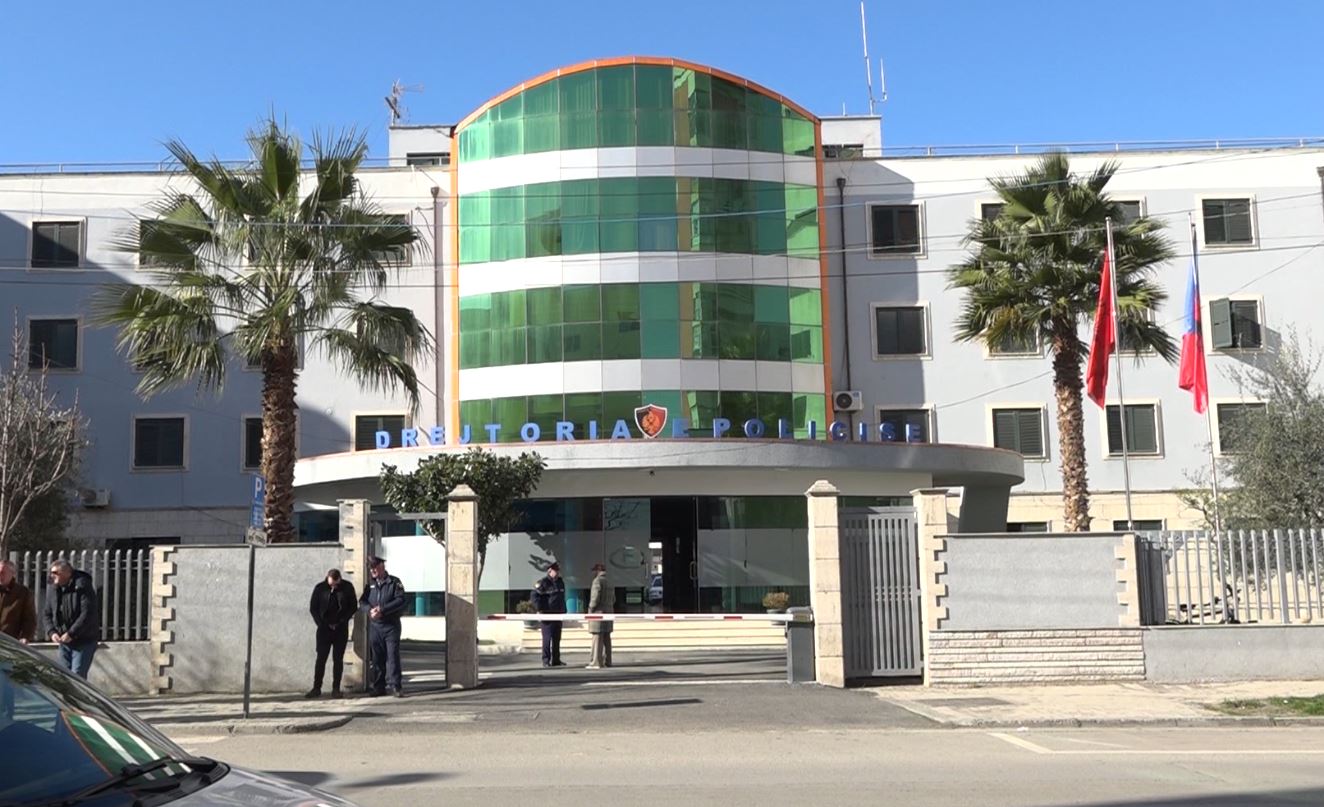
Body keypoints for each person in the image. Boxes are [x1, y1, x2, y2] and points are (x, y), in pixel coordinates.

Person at [40, 560, 99, 679]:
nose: (52, 576)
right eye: (51, 573)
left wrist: (72, 633)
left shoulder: (82, 586)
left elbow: (87, 614)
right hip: (63, 642)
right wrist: (52, 632)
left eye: (55, 573)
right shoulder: (53, 588)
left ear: (67, 573)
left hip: (84, 640)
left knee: (77, 676)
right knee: (64, 677)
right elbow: (47, 614)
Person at [306, 568, 357, 699]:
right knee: (321, 659)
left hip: (340, 629)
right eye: (331, 584)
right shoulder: (320, 588)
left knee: (338, 659)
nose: (333, 587)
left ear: (339, 579)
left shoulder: (347, 587)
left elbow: (353, 606)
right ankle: (316, 688)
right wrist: (320, 623)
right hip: (324, 629)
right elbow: (313, 608)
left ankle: (336, 689)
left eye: (335, 584)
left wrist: (343, 620)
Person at [359, 556, 406, 697]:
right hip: (376, 627)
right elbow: (362, 601)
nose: (372, 571)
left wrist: (382, 609)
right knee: (377, 658)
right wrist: (370, 610)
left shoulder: (394, 582)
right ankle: (379, 686)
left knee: (392, 657)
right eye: (371, 569)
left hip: (391, 626)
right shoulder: (370, 584)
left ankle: (396, 686)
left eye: (374, 568)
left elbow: (400, 600)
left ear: (382, 566)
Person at [532, 562, 567, 668]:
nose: (557, 573)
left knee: (557, 638)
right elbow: (534, 596)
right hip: (547, 615)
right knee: (547, 638)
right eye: (555, 571)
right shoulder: (543, 582)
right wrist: (540, 609)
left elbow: (561, 597)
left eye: (558, 571)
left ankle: (556, 660)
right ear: (549, 571)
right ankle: (546, 660)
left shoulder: (560, 582)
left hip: (558, 614)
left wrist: (564, 610)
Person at [0, 560, 37, 644]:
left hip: (10, 641)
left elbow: (29, 618)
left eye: (3, 573)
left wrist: (25, 636)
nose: (0, 575)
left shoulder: (23, 593)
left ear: (12, 573)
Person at [586, 562, 613, 670]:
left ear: (597, 571)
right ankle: (608, 661)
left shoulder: (597, 581)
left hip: (598, 612)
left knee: (597, 637)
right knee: (607, 637)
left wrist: (591, 608)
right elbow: (614, 598)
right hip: (609, 611)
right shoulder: (610, 581)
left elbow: (595, 597)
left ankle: (596, 661)